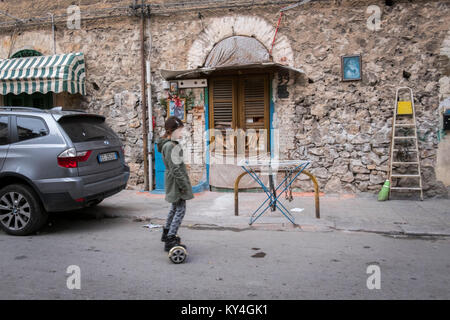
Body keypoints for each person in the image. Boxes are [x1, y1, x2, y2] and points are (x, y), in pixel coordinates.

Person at [156, 116, 194, 252]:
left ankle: (167, 233)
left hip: (173, 180)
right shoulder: (170, 146)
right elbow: (176, 169)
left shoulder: (169, 144)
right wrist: (183, 186)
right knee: (180, 210)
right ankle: (171, 237)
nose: (181, 133)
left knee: (174, 208)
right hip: (176, 182)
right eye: (179, 130)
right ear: (171, 130)